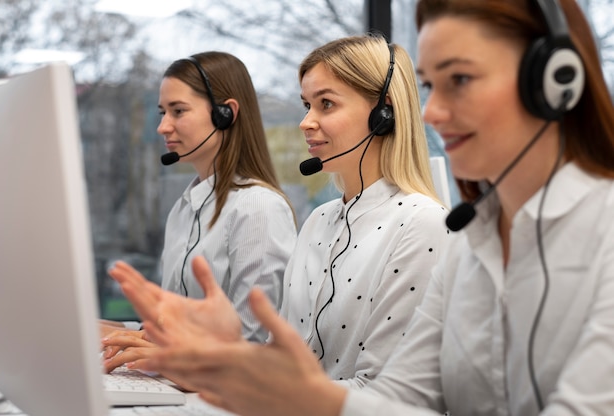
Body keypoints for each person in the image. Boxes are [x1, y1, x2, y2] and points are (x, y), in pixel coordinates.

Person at [106, 0, 614, 414]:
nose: (433, 111)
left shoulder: (439, 227)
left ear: (554, 81)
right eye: (432, 86)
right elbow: (402, 398)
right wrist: (231, 360)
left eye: (458, 79)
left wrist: (237, 364)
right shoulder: (470, 242)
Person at [104, 34, 450, 386]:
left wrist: (214, 368)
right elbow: (277, 358)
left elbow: (385, 393)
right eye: (306, 105)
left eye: (326, 104)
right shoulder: (319, 221)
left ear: (383, 113)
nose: (306, 122)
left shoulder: (422, 224)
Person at [100, 51, 297, 364]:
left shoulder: (258, 208)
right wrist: (111, 331)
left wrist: (163, 352)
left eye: (178, 111)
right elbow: (175, 328)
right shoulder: (184, 207)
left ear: (225, 113)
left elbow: (253, 343)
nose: (163, 127)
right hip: (175, 383)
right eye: (163, 112)